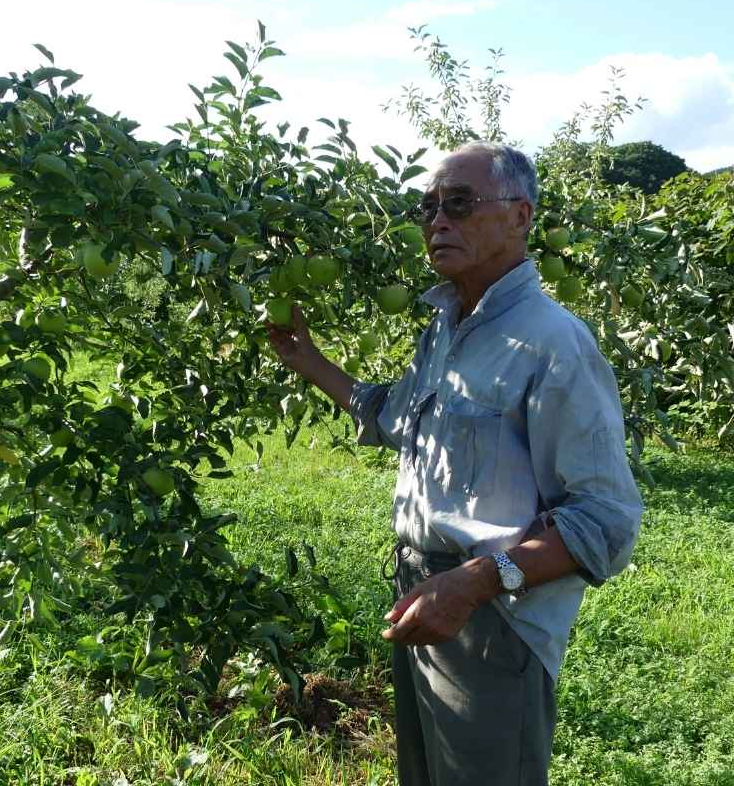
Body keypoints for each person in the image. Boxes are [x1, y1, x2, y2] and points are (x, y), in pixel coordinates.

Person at [266, 141, 643, 786]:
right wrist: (308, 360)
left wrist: (471, 583)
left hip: (493, 615)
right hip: (423, 590)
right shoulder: (444, 328)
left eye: (460, 204)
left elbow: (605, 521)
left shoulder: (554, 344)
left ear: (520, 216)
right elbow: (395, 417)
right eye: (428, 206)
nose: (438, 220)